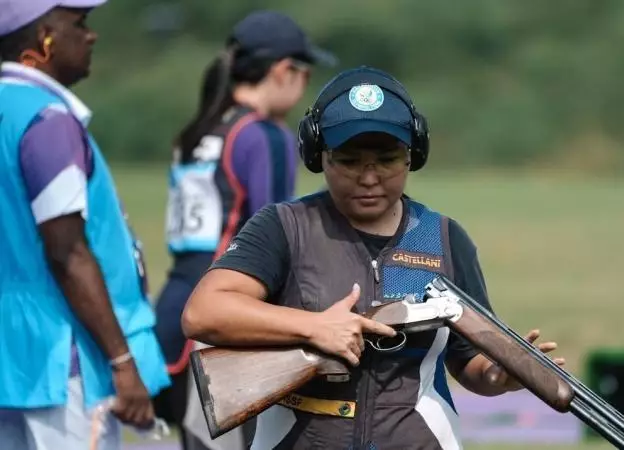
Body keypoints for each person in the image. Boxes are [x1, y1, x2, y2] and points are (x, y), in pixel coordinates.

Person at [181, 65, 566, 449]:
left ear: (412, 156)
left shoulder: (444, 237)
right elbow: (203, 313)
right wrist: (314, 327)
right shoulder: (284, 226)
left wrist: (497, 375)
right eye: (349, 160)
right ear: (320, 156)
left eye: (386, 159)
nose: (369, 177)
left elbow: (469, 362)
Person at [151, 10, 337, 450]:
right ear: (282, 71)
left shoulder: (198, 131)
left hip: (174, 312)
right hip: (227, 320)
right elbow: (277, 241)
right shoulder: (263, 135)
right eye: (303, 72)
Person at [0, 1, 171, 449]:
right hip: (61, 359)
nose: (91, 36)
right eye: (80, 24)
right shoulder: (47, 121)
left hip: (11, 359)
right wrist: (122, 360)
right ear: (44, 38)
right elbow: (67, 252)